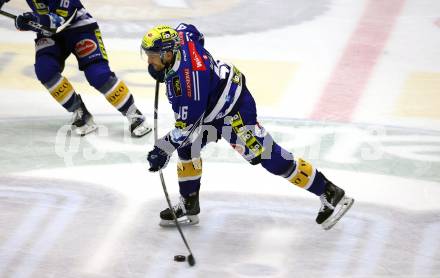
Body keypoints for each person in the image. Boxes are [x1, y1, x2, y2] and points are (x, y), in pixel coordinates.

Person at [142, 24, 354, 230]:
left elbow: (187, 124)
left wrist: (163, 149)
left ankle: (328, 191)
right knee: (187, 147)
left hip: (233, 111)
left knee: (268, 156)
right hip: (211, 107)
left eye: (152, 55)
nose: (149, 61)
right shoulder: (182, 37)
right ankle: (189, 204)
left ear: (168, 54)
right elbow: (192, 30)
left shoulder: (191, 83)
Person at [4, 0, 151, 136]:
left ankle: (134, 114)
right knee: (45, 70)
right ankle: (79, 111)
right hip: (49, 33)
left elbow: (59, 20)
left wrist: (34, 20)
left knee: (97, 74)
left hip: (80, 28)